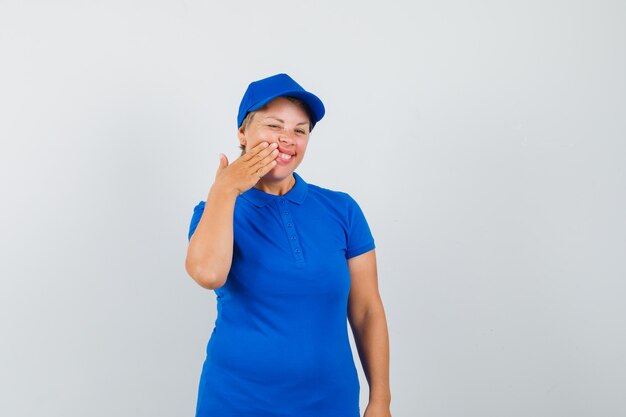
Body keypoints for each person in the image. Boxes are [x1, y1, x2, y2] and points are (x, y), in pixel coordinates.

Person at [185, 73, 392, 417]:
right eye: (273, 126)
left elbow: (367, 309)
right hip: (237, 403)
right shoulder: (215, 211)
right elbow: (207, 274)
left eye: (300, 130)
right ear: (242, 132)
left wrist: (380, 400)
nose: (287, 140)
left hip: (331, 404)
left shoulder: (341, 210)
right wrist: (225, 190)